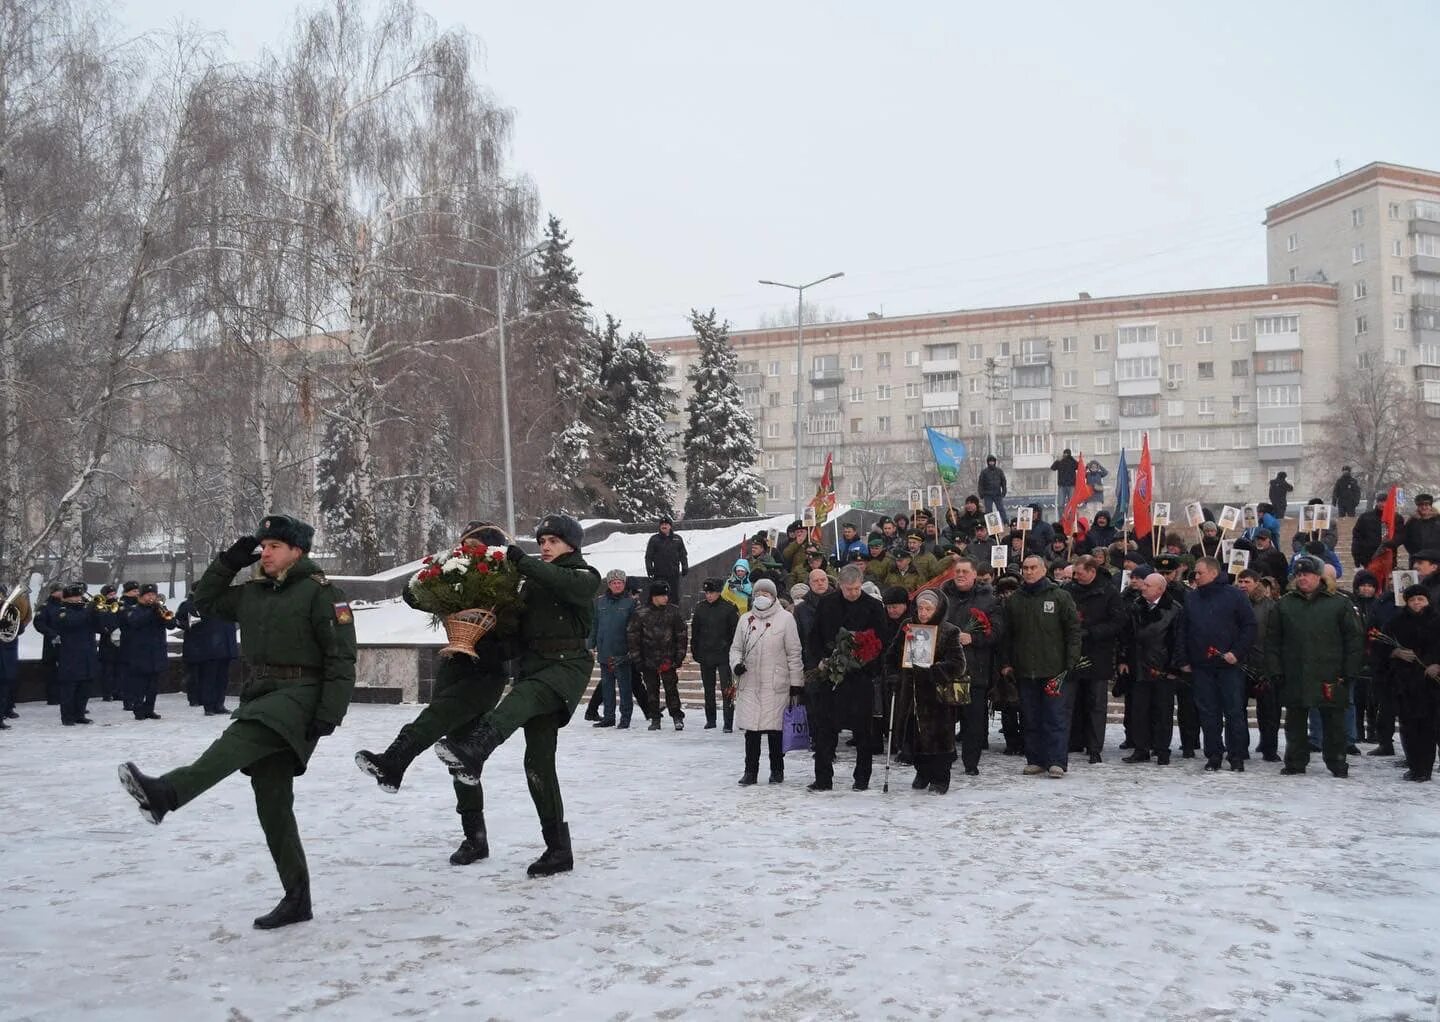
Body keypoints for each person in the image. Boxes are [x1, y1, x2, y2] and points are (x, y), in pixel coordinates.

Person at [117, 515, 358, 928]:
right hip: (261, 694)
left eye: (275, 546)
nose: (265, 553)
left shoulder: (322, 594)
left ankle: (168, 792)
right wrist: (227, 562)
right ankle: (297, 897)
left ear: (297, 551)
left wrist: (329, 713)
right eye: (263, 546)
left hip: (300, 696)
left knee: (237, 741)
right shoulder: (253, 593)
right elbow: (205, 602)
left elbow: (342, 657)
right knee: (272, 802)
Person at [435, 513, 602, 878]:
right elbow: (515, 633)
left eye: (553, 542)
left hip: (564, 668)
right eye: (541, 542)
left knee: (520, 699)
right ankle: (558, 849)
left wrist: (519, 557)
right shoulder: (532, 584)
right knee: (537, 764)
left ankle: (475, 750)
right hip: (534, 665)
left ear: (572, 546)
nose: (545, 547)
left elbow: (562, 582)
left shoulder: (584, 576)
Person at [355, 521, 518, 864]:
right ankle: (475, 838)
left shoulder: (508, 590)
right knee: (461, 763)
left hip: (485, 676)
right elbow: (413, 595)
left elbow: (515, 639)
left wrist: (493, 631)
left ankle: (394, 762)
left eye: (474, 547)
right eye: (463, 546)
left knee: (435, 719)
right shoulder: (458, 583)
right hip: (454, 667)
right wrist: (435, 576)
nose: (467, 552)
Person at [1266, 555, 1362, 778]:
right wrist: (1276, 671)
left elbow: (1354, 641)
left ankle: (1337, 762)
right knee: (1295, 723)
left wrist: (1349, 672)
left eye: (1307, 574)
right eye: (1298, 575)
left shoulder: (1340, 603)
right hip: (1295, 674)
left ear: (1319, 576)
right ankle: (1295, 761)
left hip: (1330, 675)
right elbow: (1272, 642)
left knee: (1334, 724)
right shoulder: (1285, 604)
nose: (1302, 579)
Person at [805, 563, 888, 791]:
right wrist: (821, 659)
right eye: (848, 588)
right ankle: (823, 778)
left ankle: (862, 779)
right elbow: (814, 637)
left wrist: (867, 662)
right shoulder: (827, 603)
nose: (852, 592)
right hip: (830, 676)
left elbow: (882, 641)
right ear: (840, 585)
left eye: (856, 588)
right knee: (825, 730)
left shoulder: (873, 607)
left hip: (860, 677)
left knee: (863, 731)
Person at [1001, 555, 1082, 778]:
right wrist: (1007, 662)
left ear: (1043, 570)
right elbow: (1008, 635)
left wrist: (1071, 661)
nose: (1028, 572)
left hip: (1055, 670)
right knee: (1030, 716)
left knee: (1055, 717)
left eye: (1033, 568)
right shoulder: (1015, 600)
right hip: (1025, 669)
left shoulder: (1060, 596)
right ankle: (1035, 759)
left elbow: (1074, 631)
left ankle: (1056, 761)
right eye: (1025, 568)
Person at [1183, 558, 1258, 772]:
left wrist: (1237, 652)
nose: (1195, 577)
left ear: (1214, 573)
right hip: (1201, 666)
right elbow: (1184, 630)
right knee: (1208, 713)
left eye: (1199, 573)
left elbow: (1250, 626)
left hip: (1229, 665)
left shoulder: (1234, 596)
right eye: (1194, 573)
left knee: (1234, 712)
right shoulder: (1192, 598)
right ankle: (1214, 754)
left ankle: (1236, 756)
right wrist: (1184, 659)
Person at [729, 578, 803, 785]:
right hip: (750, 682)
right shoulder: (745, 619)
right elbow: (735, 648)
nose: (762, 597)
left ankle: (777, 770)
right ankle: (750, 771)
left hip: (776, 683)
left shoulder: (786, 619)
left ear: (773, 596)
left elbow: (794, 652)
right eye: (758, 593)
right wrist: (736, 665)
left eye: (766, 593)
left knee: (775, 731)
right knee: (751, 732)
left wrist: (796, 682)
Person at [892, 589, 966, 793]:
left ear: (938, 609)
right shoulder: (907, 627)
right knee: (913, 734)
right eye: (920, 608)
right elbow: (892, 654)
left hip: (936, 694)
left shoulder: (949, 631)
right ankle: (922, 771)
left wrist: (934, 670)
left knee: (938, 737)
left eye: (928, 609)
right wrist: (894, 671)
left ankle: (941, 777)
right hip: (910, 692)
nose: (923, 613)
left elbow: (958, 664)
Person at [941, 558, 1004, 775]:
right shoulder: (943, 596)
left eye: (965, 571)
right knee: (945, 718)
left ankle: (971, 762)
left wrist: (974, 638)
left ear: (974, 574)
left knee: (973, 720)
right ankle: (945, 757)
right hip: (947, 667)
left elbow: (997, 632)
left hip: (975, 668)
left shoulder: (988, 600)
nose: (960, 575)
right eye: (957, 571)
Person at [1063, 556, 1127, 764]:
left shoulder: (1108, 592)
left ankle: (1094, 746)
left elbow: (1117, 622)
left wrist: (1092, 632)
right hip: (1073, 654)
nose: (1076, 577)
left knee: (1096, 703)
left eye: (1080, 573)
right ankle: (1073, 740)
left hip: (1098, 654)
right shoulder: (1069, 590)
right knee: (1071, 702)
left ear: (1092, 571)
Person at [1119, 573, 1188, 765]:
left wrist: (1175, 667)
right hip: (1139, 666)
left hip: (1163, 669)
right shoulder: (1135, 607)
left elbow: (1178, 641)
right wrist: (1123, 659)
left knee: (1163, 712)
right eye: (1144, 584)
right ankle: (1141, 748)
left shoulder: (1174, 610)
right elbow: (1126, 636)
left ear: (1160, 589)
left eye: (1148, 585)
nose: (1143, 587)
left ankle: (1162, 749)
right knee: (1139, 711)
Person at [1382, 585, 1440, 781]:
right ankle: (1415, 767)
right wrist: (1395, 652)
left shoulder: (1437, 621)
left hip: (1432, 685)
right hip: (1405, 684)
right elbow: (1378, 647)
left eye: (1421, 599)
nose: (1417, 603)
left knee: (1430, 728)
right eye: (1413, 600)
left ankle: (1426, 769)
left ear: (1427, 601)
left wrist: (1437, 665)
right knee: (1409, 727)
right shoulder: (1396, 622)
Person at [627, 580, 689, 731]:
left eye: (667, 595)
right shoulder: (641, 613)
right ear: (654, 597)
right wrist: (637, 659)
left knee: (671, 689)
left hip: (668, 659)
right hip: (648, 660)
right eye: (663, 595)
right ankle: (655, 718)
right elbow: (633, 637)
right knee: (651, 691)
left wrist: (679, 657)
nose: (666, 598)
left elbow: (681, 635)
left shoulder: (673, 612)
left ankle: (677, 716)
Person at [1235, 570, 1282, 762]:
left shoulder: (1271, 607)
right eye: (1240, 581)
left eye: (1246, 581)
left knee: (1269, 712)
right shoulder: (1234, 604)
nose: (1242, 585)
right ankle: (1240, 748)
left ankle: (1269, 748)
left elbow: (1276, 637)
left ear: (1257, 583)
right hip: (1238, 665)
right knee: (1237, 710)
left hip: (1264, 666)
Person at [120, 584, 180, 721]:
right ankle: (138, 709)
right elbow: (135, 622)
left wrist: (165, 615)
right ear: (140, 596)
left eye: (153, 594)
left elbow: (172, 625)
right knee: (140, 684)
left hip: (157, 651)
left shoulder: (159, 609)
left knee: (153, 685)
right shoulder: (133, 609)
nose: (151, 597)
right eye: (148, 595)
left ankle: (149, 709)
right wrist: (151, 613)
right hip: (140, 653)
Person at [175, 594, 239, 716]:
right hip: (210, 648)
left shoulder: (227, 605)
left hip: (225, 647)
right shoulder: (201, 604)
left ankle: (219, 704)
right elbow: (185, 622)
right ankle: (209, 705)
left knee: (222, 679)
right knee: (209, 678)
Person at [691, 577, 740, 731]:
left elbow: (734, 634)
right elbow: (695, 632)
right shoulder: (700, 608)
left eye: (711, 592)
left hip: (724, 656)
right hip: (706, 655)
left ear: (719, 592)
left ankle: (728, 722)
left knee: (727, 690)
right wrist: (695, 651)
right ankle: (710, 719)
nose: (708, 595)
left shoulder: (729, 608)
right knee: (708, 690)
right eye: (706, 592)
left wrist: (733, 653)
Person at [52, 583, 103, 726]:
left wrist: (98, 614)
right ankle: (67, 717)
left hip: (88, 654)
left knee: (85, 687)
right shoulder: (62, 611)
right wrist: (88, 610)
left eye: (79, 596)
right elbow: (73, 621)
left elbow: (100, 628)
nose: (78, 599)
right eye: (75, 597)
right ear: (67, 598)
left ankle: (80, 714)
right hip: (70, 655)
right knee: (70, 688)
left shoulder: (85, 611)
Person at [643, 517, 687, 605]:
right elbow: (648, 556)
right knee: (658, 596)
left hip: (673, 574)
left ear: (670, 526)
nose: (664, 526)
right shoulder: (654, 539)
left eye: (666, 524)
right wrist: (649, 569)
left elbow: (683, 554)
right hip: (659, 574)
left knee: (673, 597)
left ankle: (674, 615)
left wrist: (685, 566)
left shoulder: (677, 539)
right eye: (662, 525)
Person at [1352, 493, 1402, 568]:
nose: (1382, 504)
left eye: (1385, 502)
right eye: (1380, 501)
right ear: (1377, 502)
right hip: (1369, 559)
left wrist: (1391, 543)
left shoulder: (1396, 518)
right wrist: (1357, 557)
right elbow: (1357, 538)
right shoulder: (1365, 517)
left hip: (1388, 557)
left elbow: (1400, 536)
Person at [0, 582, 25, 728]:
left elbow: (19, 629)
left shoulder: (11, 610)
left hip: (6, 652)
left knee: (3, 688)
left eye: (2, 595)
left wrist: (8, 619)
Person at [94, 584, 122, 702]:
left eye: (114, 593)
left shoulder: (119, 605)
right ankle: (107, 693)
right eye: (110, 594)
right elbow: (98, 623)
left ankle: (118, 692)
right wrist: (108, 630)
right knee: (108, 670)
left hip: (120, 641)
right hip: (107, 642)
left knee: (119, 669)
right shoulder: (101, 607)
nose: (113, 596)